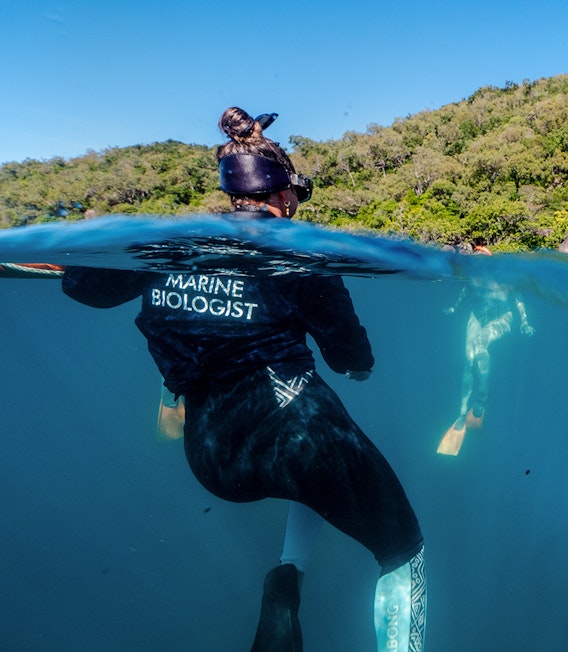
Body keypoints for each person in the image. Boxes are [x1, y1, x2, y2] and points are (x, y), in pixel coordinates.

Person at [61, 107, 426, 651]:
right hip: (297, 435)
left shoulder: (171, 247)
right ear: (282, 196)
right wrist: (360, 366)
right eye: (297, 199)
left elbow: (82, 287)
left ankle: (286, 583)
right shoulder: (300, 254)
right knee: (401, 547)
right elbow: (349, 355)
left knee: (313, 466)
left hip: (212, 457)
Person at [437, 245, 534, 455]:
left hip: (502, 318)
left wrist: (524, 322)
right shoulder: (472, 277)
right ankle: (462, 412)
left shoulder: (505, 277)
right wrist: (455, 307)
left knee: (480, 345)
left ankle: (482, 398)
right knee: (469, 359)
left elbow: (518, 299)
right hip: (476, 317)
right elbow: (466, 291)